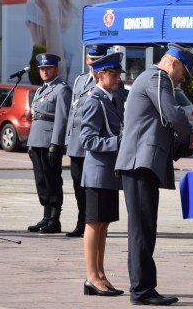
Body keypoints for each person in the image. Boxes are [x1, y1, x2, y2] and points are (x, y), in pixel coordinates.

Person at [115, 43, 193, 306]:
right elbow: (173, 114)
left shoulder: (151, 78)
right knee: (142, 230)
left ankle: (142, 287)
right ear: (173, 63)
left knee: (142, 228)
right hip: (140, 164)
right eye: (183, 73)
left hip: (140, 164)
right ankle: (142, 290)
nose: (182, 80)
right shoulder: (157, 77)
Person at [79, 52, 125, 297]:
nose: (118, 79)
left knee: (104, 225)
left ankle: (101, 274)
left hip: (108, 173)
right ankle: (91, 276)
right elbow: (87, 139)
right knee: (94, 224)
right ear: (100, 75)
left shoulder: (113, 99)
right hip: (97, 171)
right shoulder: (93, 100)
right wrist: (118, 143)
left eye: (118, 75)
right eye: (114, 75)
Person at [65, 44, 110, 238]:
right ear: (87, 60)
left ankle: (91, 223)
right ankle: (80, 221)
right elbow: (72, 112)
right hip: (76, 143)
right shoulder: (79, 80)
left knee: (91, 188)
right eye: (92, 60)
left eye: (98, 60)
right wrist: (66, 139)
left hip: (93, 145)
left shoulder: (105, 82)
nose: (94, 64)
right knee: (77, 186)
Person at [27, 53, 72, 234]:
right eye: (42, 69)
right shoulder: (40, 90)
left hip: (49, 141)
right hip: (37, 140)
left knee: (52, 180)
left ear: (56, 69)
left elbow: (62, 118)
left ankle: (54, 219)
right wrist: (30, 144)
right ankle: (46, 216)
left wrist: (56, 143)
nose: (44, 72)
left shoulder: (62, 89)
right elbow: (36, 117)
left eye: (48, 68)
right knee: (41, 181)